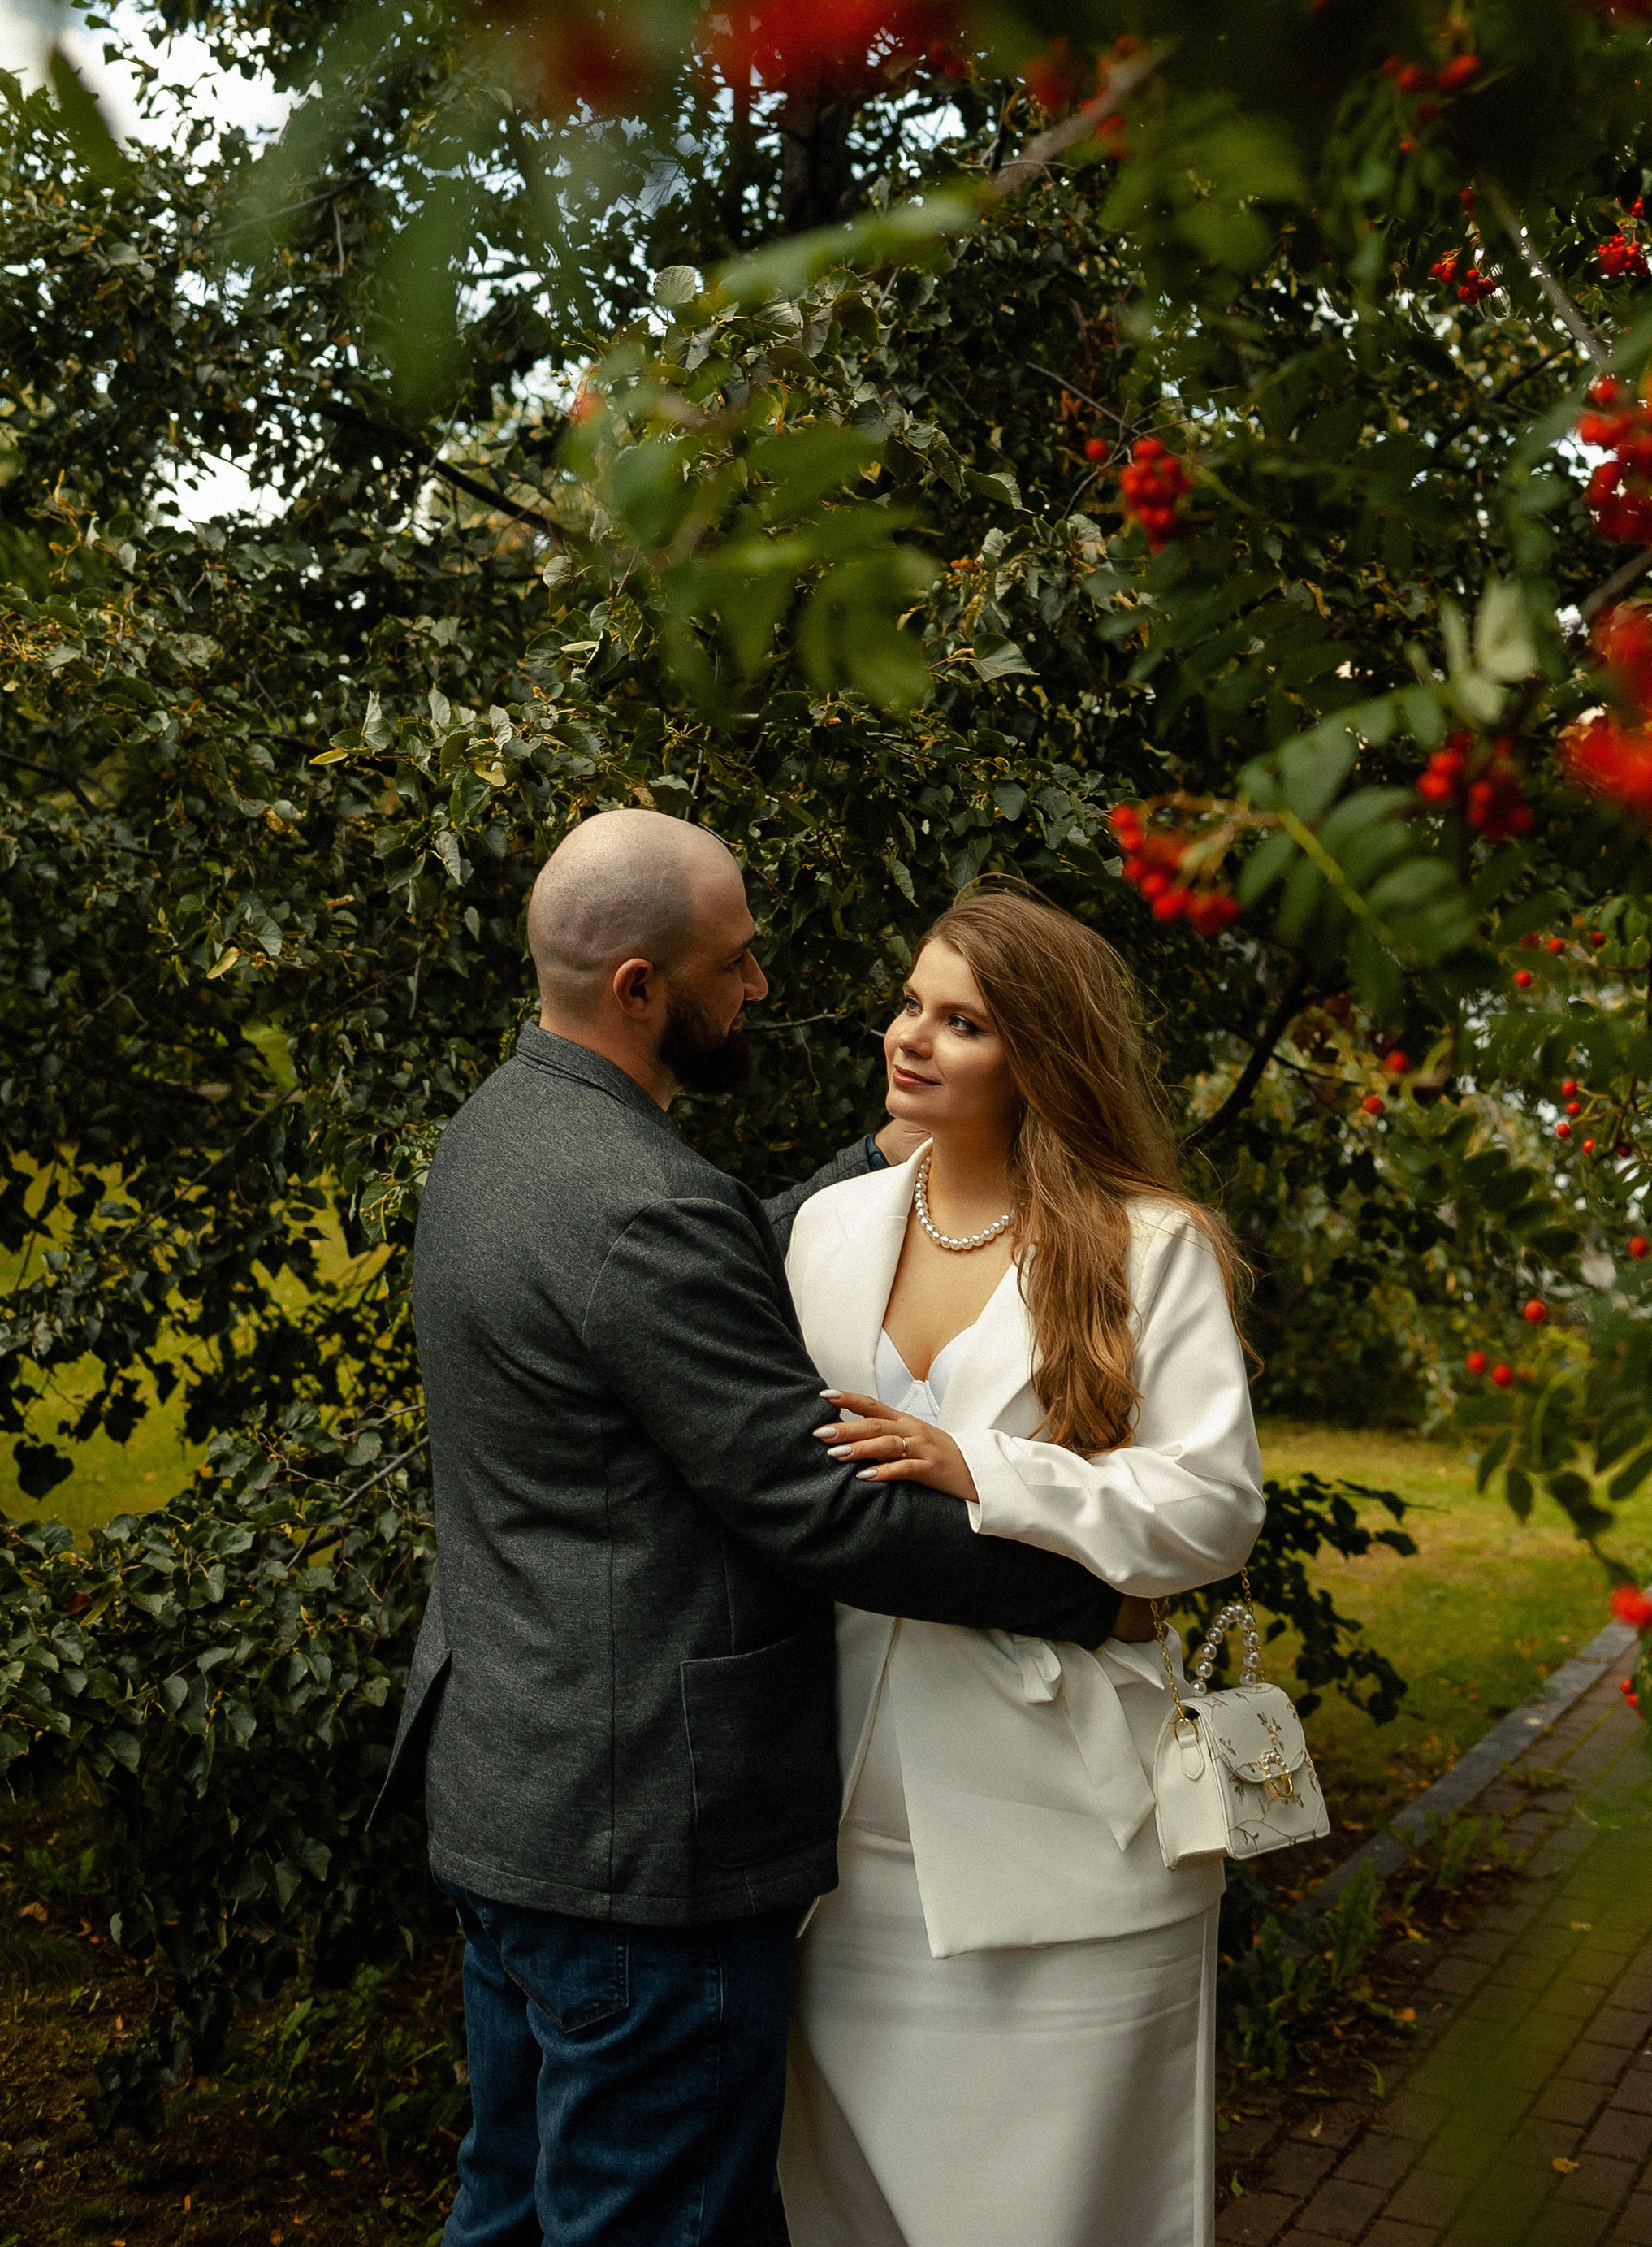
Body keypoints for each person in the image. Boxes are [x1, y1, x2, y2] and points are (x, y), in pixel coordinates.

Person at [376, 809, 1130, 2247]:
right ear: (642, 989)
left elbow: (677, 1292)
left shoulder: (505, 1130)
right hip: (644, 1841)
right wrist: (1092, 1596)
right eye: (736, 962)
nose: (762, 988)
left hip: (510, 1794)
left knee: (510, 2212)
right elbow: (820, 1514)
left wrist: (876, 1155)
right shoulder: (637, 1205)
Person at [779, 881, 1264, 2247]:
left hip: (1068, 1830)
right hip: (836, 1831)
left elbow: (1212, 1510)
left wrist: (983, 1466)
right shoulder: (829, 1231)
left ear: (1040, 1053)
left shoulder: (1144, 1244)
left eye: (964, 1023)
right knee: (844, 2213)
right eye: (912, 1005)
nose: (912, 1039)